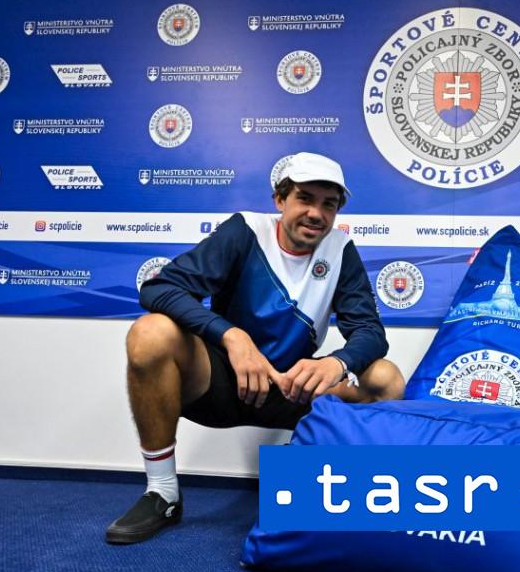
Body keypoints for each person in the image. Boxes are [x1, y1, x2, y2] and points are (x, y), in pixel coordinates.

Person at [106, 152, 405, 544]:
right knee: (150, 333)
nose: (316, 213)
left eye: (328, 204)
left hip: (289, 388)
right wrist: (231, 336)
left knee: (385, 378)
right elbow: (159, 288)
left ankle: (341, 493)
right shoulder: (245, 231)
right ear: (280, 199)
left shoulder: (340, 249)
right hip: (220, 384)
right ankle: (162, 493)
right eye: (305, 198)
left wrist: (338, 362)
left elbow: (370, 331)